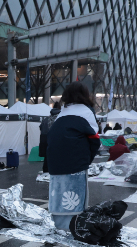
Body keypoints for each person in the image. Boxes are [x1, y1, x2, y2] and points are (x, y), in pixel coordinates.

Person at [46, 82, 100, 230]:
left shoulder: (62, 113)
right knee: (75, 193)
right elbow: (94, 139)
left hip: (55, 162)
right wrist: (86, 160)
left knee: (58, 193)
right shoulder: (87, 112)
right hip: (76, 161)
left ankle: (59, 225)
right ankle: (73, 227)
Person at [39, 102, 61, 173]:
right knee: (57, 156)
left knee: (46, 157)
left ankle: (45, 171)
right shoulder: (60, 118)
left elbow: (40, 127)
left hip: (44, 139)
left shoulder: (46, 119)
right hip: (55, 139)